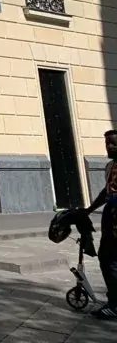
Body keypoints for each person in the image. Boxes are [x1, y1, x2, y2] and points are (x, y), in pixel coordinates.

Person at [87, 130, 117, 321]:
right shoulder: (110, 166)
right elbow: (106, 192)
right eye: (107, 143)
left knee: (110, 259)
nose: (109, 147)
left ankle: (115, 305)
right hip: (111, 215)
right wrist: (88, 210)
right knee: (107, 257)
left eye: (113, 143)